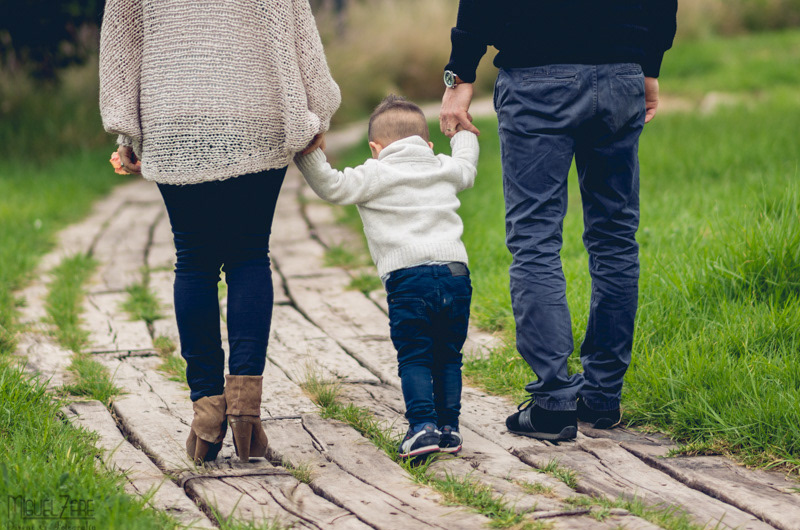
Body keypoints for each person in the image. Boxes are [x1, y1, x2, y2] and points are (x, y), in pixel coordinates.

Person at [99, 0, 340, 463]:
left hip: (173, 120)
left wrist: (126, 131)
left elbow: (120, 42)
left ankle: (207, 413)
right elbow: (299, 30)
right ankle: (246, 413)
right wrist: (315, 113)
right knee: (250, 254)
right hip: (258, 113)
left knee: (194, 261)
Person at [439, 1, 678, 440]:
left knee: (535, 238)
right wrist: (648, 64)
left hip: (536, 76)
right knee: (615, 237)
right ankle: (602, 396)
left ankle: (553, 403)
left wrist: (460, 74)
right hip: (621, 71)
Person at [295, 95, 479, 458]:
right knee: (448, 354)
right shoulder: (440, 165)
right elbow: (467, 166)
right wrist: (461, 131)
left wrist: (307, 150)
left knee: (415, 355)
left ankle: (422, 426)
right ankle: (449, 429)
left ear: (375, 148)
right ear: (427, 145)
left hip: (409, 281)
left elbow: (331, 185)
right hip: (457, 275)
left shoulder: (375, 172)